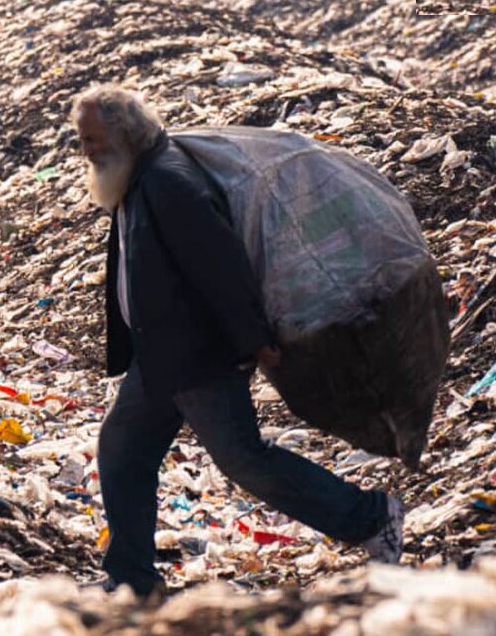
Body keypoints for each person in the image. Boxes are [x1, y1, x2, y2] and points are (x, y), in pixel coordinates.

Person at [72, 84, 405, 598]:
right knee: (122, 449)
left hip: (196, 356)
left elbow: (219, 264)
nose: (87, 150)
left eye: (93, 138)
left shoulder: (168, 182)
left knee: (245, 459)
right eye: (82, 140)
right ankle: (132, 577)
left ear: (124, 131)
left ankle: (370, 517)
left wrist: (252, 337)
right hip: (162, 356)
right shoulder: (139, 177)